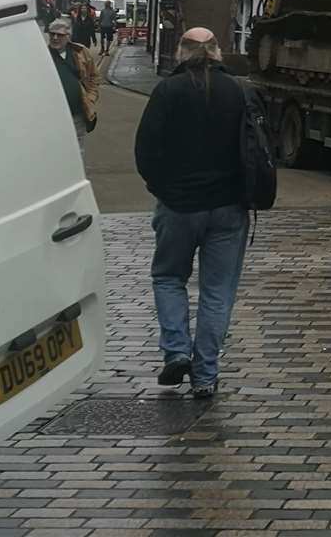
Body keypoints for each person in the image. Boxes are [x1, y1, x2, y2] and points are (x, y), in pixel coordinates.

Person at [134, 27, 248, 400]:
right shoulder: (238, 92)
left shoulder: (168, 91)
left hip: (179, 206)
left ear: (182, 52)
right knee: (217, 292)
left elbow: (146, 151)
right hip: (228, 208)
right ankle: (205, 376)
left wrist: (162, 189)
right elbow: (259, 149)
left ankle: (177, 351)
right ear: (216, 52)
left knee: (168, 278)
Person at [46, 17, 100, 155]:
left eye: (60, 35)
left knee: (77, 151)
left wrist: (91, 97)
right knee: (54, 150)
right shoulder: (43, 55)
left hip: (77, 113)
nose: (55, 38)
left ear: (68, 36)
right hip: (52, 115)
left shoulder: (81, 52)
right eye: (52, 34)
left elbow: (94, 76)